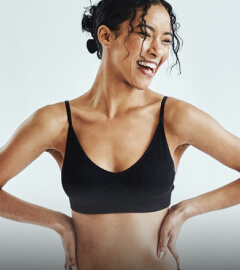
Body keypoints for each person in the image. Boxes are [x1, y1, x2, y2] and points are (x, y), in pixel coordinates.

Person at [0, 0, 240, 270]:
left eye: (165, 40)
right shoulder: (57, 122)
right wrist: (58, 223)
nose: (156, 51)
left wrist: (186, 210)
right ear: (106, 36)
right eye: (144, 34)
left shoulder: (174, 117)